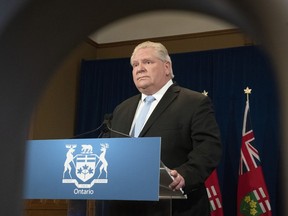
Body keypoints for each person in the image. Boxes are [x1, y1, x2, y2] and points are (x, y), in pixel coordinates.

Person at [106, 41, 222, 216]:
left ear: (167, 67)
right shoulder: (122, 109)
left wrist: (184, 175)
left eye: (147, 62)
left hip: (175, 207)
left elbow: (209, 148)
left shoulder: (194, 102)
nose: (140, 68)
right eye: (135, 65)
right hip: (124, 206)